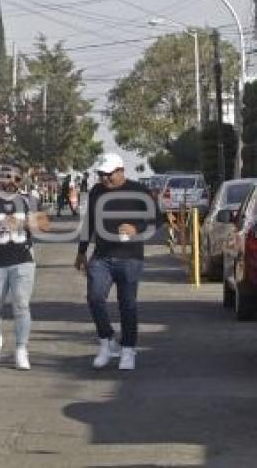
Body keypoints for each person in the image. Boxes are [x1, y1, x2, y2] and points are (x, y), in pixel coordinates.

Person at [74, 153, 163, 371]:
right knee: (95, 298)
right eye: (100, 174)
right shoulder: (96, 191)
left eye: (108, 174)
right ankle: (107, 342)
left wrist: (137, 229)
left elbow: (157, 220)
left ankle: (128, 350)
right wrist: (81, 251)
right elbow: (90, 222)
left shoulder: (139, 191)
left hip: (130, 257)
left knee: (127, 305)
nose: (104, 178)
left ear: (121, 171)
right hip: (102, 256)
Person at [0, 167, 49, 370]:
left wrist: (23, 222)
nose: (11, 182)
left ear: (21, 181)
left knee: (21, 306)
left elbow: (45, 225)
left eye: (16, 178)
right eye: (6, 178)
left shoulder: (29, 201)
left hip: (23, 260)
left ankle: (21, 349)